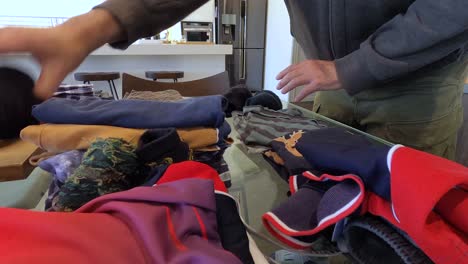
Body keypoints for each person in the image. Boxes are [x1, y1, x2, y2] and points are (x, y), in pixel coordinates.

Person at [0, 0, 467, 159]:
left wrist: (352, 68)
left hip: (415, 73)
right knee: (313, 175)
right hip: (319, 67)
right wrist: (92, 27)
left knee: (406, 199)